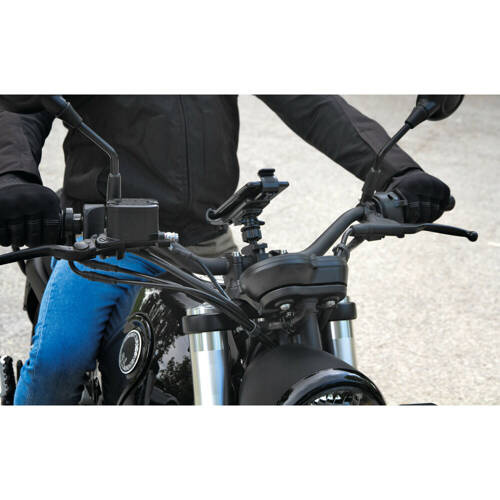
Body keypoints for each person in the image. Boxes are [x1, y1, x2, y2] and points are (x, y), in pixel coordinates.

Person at [0, 95, 451, 404]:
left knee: (265, 339)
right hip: (109, 241)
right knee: (59, 359)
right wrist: (14, 180)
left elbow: (314, 104)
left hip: (208, 241)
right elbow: (19, 109)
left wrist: (397, 172)